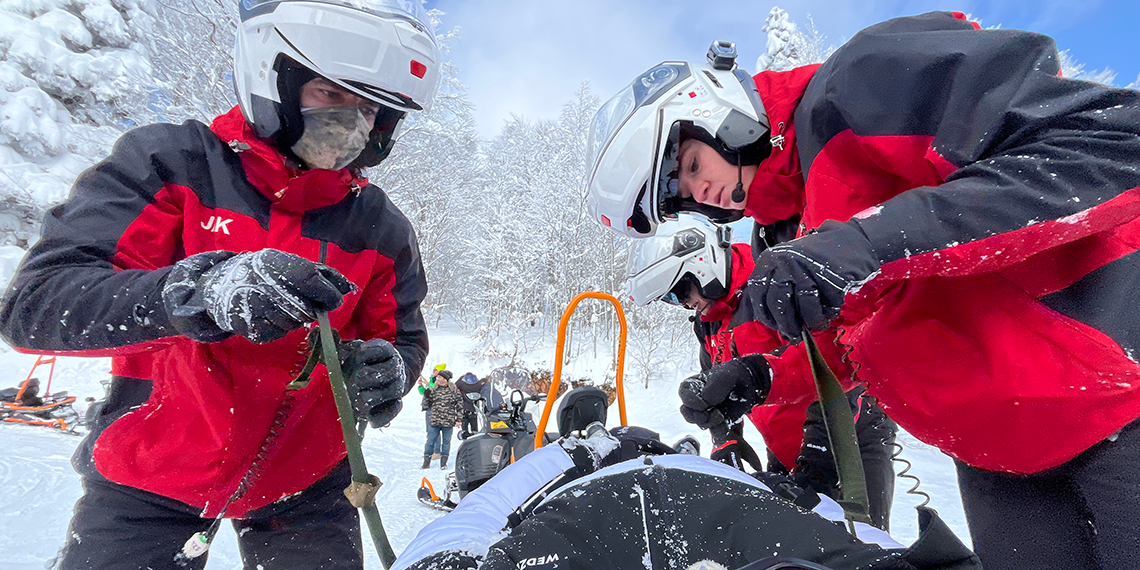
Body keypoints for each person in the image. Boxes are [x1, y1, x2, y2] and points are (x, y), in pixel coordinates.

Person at [586, 12, 1140, 570]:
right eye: (681, 198)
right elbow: (854, 348)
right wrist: (765, 377)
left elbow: (1108, 142)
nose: (700, 192)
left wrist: (867, 240)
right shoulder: (785, 230)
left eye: (690, 164)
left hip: (1113, 400)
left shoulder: (859, 85)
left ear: (713, 111)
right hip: (995, 458)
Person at [0, 1, 440, 568]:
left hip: (306, 483)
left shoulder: (380, 228)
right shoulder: (171, 166)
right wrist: (200, 294)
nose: (351, 122)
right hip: (152, 472)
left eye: (370, 108)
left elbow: (402, 337)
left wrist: (389, 370)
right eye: (332, 93)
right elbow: (38, 305)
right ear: (276, 81)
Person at [392, 422, 979, 570]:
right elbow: (846, 531)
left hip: (605, 513)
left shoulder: (578, 461)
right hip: (724, 508)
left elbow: (479, 514)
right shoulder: (589, 459)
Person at [624, 215, 897, 530]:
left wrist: (817, 455)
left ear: (702, 264)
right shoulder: (708, 323)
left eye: (680, 291)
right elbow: (720, 388)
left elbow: (831, 361)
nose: (684, 304)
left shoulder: (774, 285)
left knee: (861, 542)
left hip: (847, 437)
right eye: (671, 299)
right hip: (783, 446)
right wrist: (724, 437)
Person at [422, 370, 463, 469]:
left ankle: (443, 464)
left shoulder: (454, 390)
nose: (437, 378)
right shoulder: (434, 390)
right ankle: (426, 463)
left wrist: (459, 419)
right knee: (430, 442)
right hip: (435, 421)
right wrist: (426, 396)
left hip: (448, 422)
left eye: (439, 377)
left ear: (445, 379)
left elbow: (460, 405)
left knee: (446, 443)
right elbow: (426, 405)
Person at [419, 364, 451, 429]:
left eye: (436, 370)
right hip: (429, 406)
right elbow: (425, 393)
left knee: (436, 429)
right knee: (430, 429)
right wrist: (420, 386)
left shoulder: (445, 381)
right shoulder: (432, 380)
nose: (433, 371)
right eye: (434, 369)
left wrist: (428, 384)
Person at [455, 372, 486, 437]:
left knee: (464, 426)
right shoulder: (478, 384)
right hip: (474, 408)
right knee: (474, 426)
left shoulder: (462, 384)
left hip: (464, 407)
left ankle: (465, 436)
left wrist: (461, 377)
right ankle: (474, 436)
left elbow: (456, 385)